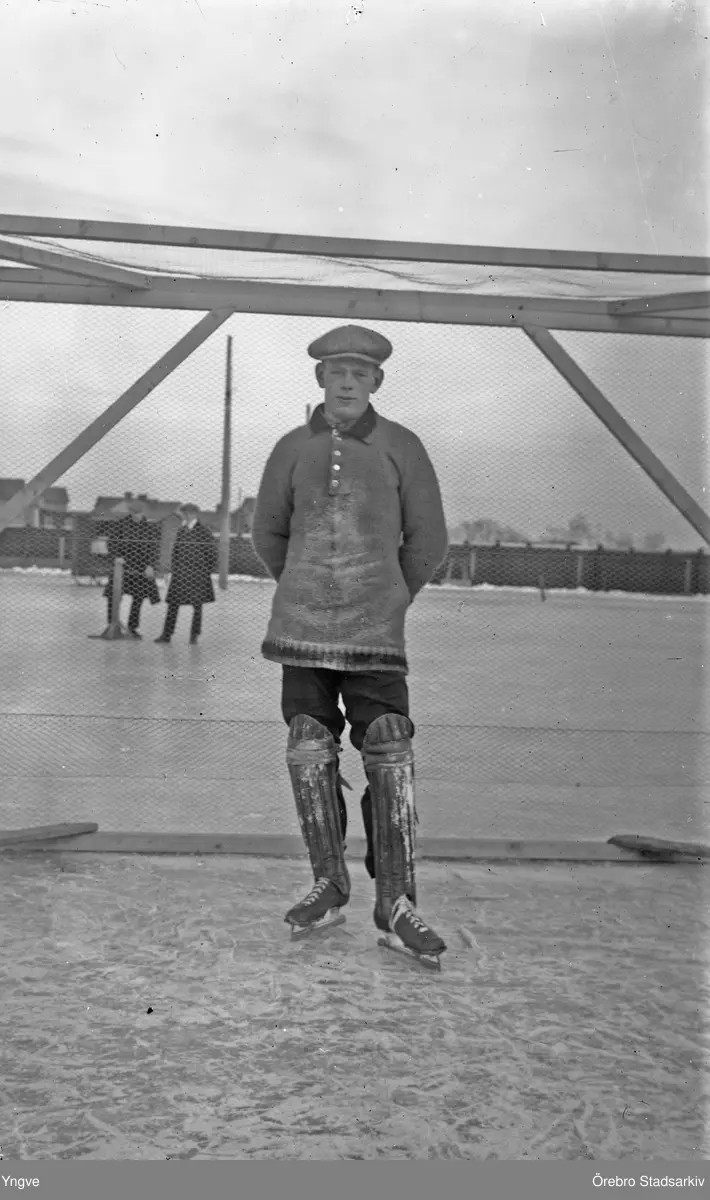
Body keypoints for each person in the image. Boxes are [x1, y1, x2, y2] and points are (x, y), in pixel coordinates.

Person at [251, 324, 449, 969]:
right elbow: (267, 533)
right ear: (320, 379)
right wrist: (306, 588)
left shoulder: (403, 446)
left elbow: (429, 540)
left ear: (376, 382)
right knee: (309, 745)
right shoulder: (290, 447)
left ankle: (396, 902)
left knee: (389, 746)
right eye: (336, 372)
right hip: (301, 628)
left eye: (360, 374)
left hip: (375, 633)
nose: (346, 383)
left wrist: (388, 596)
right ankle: (329, 883)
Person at [155, 502, 217, 646]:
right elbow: (175, 553)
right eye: (185, 513)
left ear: (195, 514)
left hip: (197, 576)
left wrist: (203, 572)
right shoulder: (181, 530)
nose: (187, 516)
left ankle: (194, 635)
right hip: (180, 575)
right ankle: (166, 635)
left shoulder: (204, 532)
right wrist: (175, 569)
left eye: (189, 513)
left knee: (197, 606)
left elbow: (212, 555)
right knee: (173, 604)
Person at [100, 499, 161, 638]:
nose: (137, 515)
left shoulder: (149, 528)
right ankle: (112, 624)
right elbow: (111, 543)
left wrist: (151, 565)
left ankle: (132, 627)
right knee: (113, 596)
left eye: (139, 513)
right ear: (130, 512)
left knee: (138, 598)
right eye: (134, 513)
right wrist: (116, 556)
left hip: (140, 569)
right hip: (122, 569)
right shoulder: (121, 525)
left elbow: (154, 549)